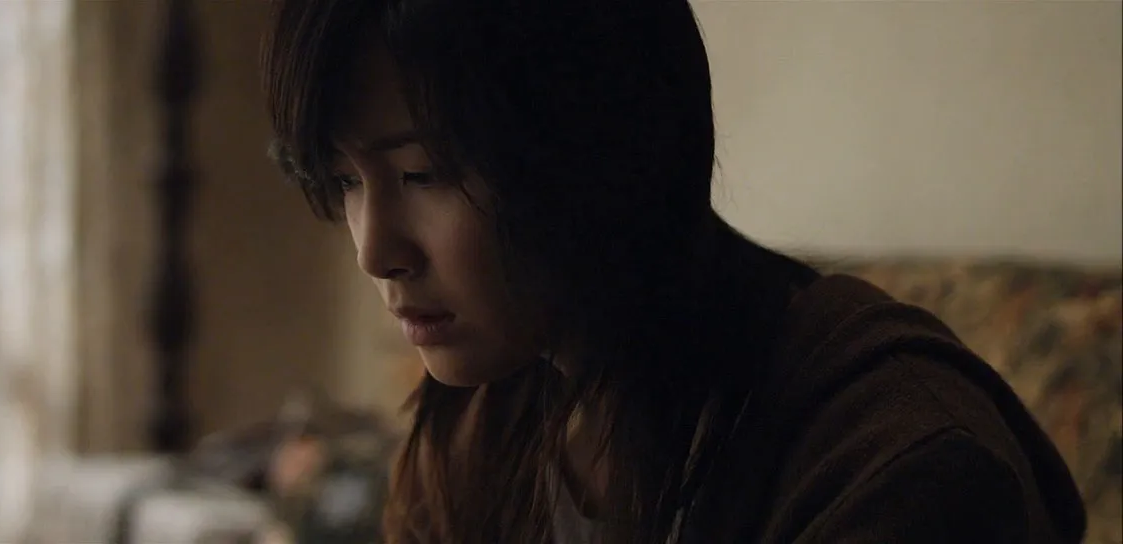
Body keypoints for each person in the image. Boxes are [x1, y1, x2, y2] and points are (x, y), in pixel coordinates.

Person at [260, 0, 1087, 542]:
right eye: (344, 181)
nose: (375, 251)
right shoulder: (483, 418)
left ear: (595, 141)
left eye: (425, 173)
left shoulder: (896, 462)